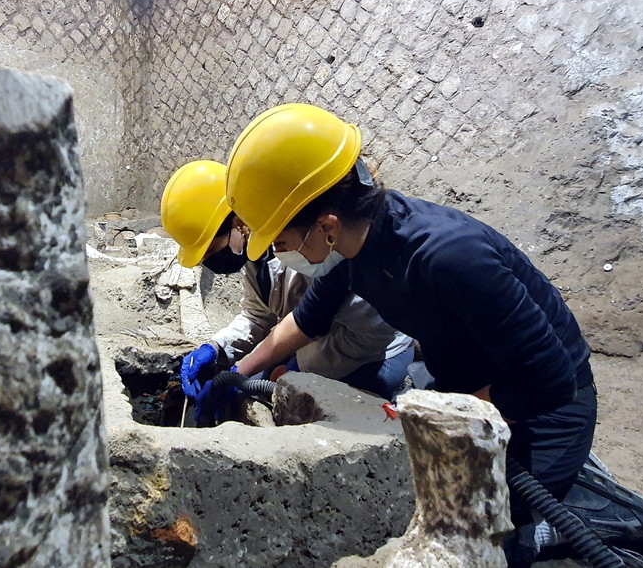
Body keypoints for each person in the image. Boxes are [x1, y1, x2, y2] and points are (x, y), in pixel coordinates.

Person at [221, 103, 597, 566]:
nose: (279, 255)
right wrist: (233, 373)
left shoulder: (449, 256)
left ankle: (579, 521)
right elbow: (304, 322)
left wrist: (437, 421)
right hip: (464, 389)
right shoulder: (354, 249)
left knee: (473, 541)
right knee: (406, 502)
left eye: (280, 241)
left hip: (546, 409)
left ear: (327, 225)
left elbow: (550, 380)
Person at [159, 160, 415, 427]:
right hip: (309, 340)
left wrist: (297, 367)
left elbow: (369, 337)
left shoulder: (313, 247)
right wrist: (216, 348)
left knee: (287, 397)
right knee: (259, 377)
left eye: (211, 250)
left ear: (237, 223)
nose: (212, 261)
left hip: (373, 353)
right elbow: (258, 316)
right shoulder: (254, 254)